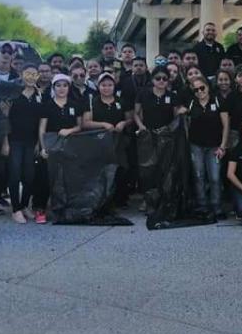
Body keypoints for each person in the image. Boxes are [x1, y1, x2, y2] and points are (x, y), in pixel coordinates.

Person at [82, 72, 134, 216]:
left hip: (119, 143)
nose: (106, 88)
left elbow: (131, 118)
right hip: (98, 142)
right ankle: (102, 200)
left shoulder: (121, 101)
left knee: (121, 170)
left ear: (114, 86)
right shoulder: (92, 102)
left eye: (110, 85)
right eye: (103, 85)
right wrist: (103, 124)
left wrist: (124, 123)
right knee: (101, 172)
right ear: (99, 87)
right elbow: (85, 123)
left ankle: (119, 200)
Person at [38, 74, 83, 223]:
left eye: (65, 85)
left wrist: (69, 131)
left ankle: (66, 208)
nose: (61, 88)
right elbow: (42, 128)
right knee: (47, 177)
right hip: (51, 145)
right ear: (53, 87)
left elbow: (80, 126)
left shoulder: (74, 104)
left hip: (70, 145)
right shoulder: (47, 105)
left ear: (69, 88)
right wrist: (43, 148)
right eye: (58, 85)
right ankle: (41, 209)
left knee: (68, 177)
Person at [3, 64, 43, 224]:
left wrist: (39, 143)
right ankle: (15, 209)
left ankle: (25, 205)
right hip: (14, 140)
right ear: (21, 74)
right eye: (28, 73)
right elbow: (4, 119)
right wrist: (5, 143)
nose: (31, 77)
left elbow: (41, 121)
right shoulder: (13, 94)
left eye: (34, 74)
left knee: (29, 175)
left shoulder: (40, 95)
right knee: (14, 175)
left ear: (38, 76)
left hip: (31, 141)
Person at [185, 76, 229, 219]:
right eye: (196, 89)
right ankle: (202, 206)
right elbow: (186, 122)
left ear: (208, 87)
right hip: (196, 146)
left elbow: (226, 125)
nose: (199, 91)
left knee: (215, 177)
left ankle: (217, 207)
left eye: (202, 88)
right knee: (198, 176)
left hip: (214, 146)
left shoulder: (218, 100)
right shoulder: (191, 103)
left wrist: (223, 146)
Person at [134, 66, 185, 134]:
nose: (161, 81)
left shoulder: (173, 96)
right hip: (147, 132)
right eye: (158, 78)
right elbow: (136, 113)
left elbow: (175, 117)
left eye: (164, 79)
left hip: (167, 134)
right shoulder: (142, 93)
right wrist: (141, 126)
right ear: (152, 79)